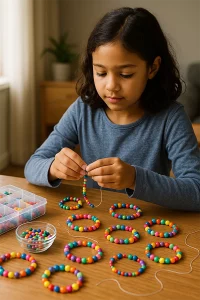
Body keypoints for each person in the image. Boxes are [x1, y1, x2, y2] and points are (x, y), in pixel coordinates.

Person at [25, 7, 200, 211]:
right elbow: (32, 166)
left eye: (125, 75)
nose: (111, 86)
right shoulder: (83, 110)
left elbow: (196, 191)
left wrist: (134, 178)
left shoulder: (171, 118)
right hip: (96, 223)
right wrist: (53, 168)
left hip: (149, 226)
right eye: (101, 73)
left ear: (152, 68)